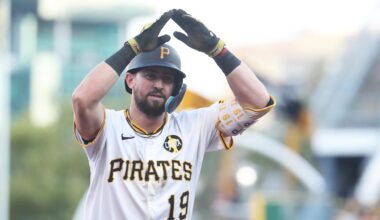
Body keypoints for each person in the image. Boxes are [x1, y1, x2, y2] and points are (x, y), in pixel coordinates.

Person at [72, 9, 275, 220]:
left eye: (168, 78)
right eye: (150, 75)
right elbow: (82, 99)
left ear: (176, 87)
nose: (159, 84)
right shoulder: (108, 126)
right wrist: (131, 49)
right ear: (130, 80)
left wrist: (217, 50)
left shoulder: (195, 126)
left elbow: (258, 102)